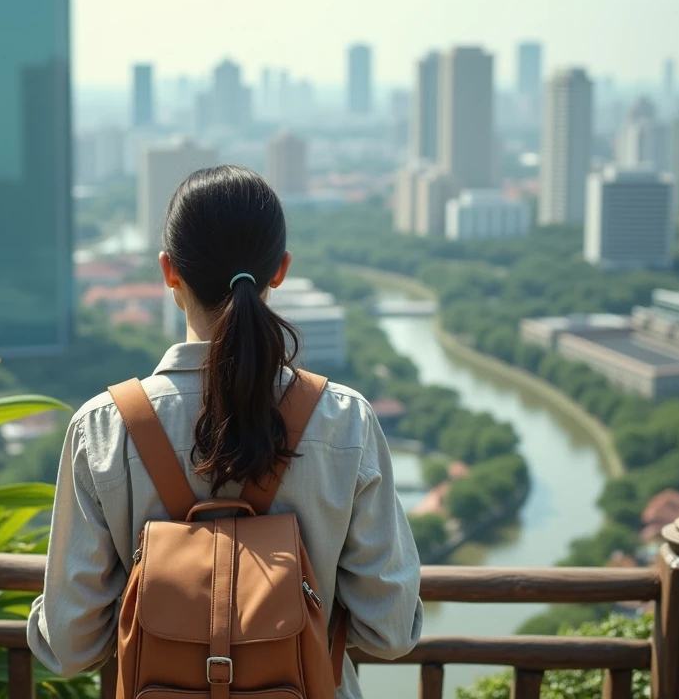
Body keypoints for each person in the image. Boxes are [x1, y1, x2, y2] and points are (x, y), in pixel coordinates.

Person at [28, 164, 423, 696]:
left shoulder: (105, 428)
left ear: (169, 271)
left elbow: (72, 647)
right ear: (279, 270)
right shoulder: (344, 419)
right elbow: (391, 630)